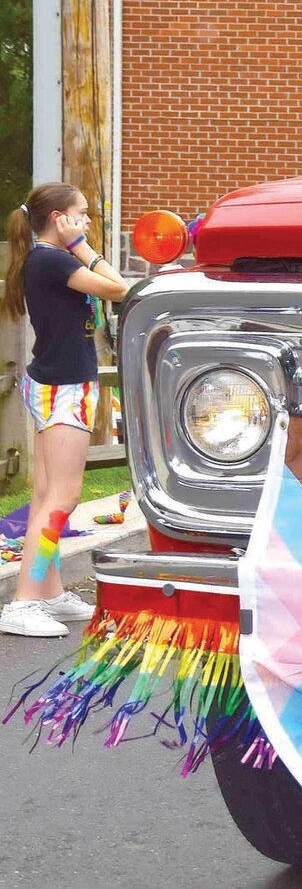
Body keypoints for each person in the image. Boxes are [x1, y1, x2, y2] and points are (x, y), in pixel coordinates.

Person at [0, 183, 129, 637]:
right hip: (63, 387)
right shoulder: (54, 259)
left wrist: (77, 245)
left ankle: (47, 590)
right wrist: (83, 247)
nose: (88, 220)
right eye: (82, 214)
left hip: (58, 382)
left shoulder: (45, 260)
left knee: (45, 495)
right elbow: (119, 288)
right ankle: (24, 601)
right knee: (63, 496)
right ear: (59, 218)